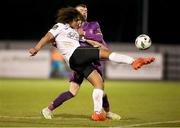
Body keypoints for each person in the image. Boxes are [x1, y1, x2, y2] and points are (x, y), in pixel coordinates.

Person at [29, 7, 155, 121]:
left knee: (98, 82)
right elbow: (47, 37)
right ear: (71, 18)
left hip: (77, 62)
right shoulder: (60, 26)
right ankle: (133, 61)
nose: (79, 23)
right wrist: (36, 48)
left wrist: (94, 42)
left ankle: (97, 113)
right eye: (77, 20)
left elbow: (89, 40)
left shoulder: (74, 31)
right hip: (75, 55)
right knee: (105, 54)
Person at [41, 4, 121, 121]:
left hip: (93, 60)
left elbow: (99, 38)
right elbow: (55, 40)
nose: (84, 12)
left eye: (86, 10)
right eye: (81, 10)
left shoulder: (93, 24)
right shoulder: (69, 28)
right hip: (79, 62)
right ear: (74, 13)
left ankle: (107, 112)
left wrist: (84, 35)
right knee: (72, 91)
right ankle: (48, 109)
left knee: (101, 89)